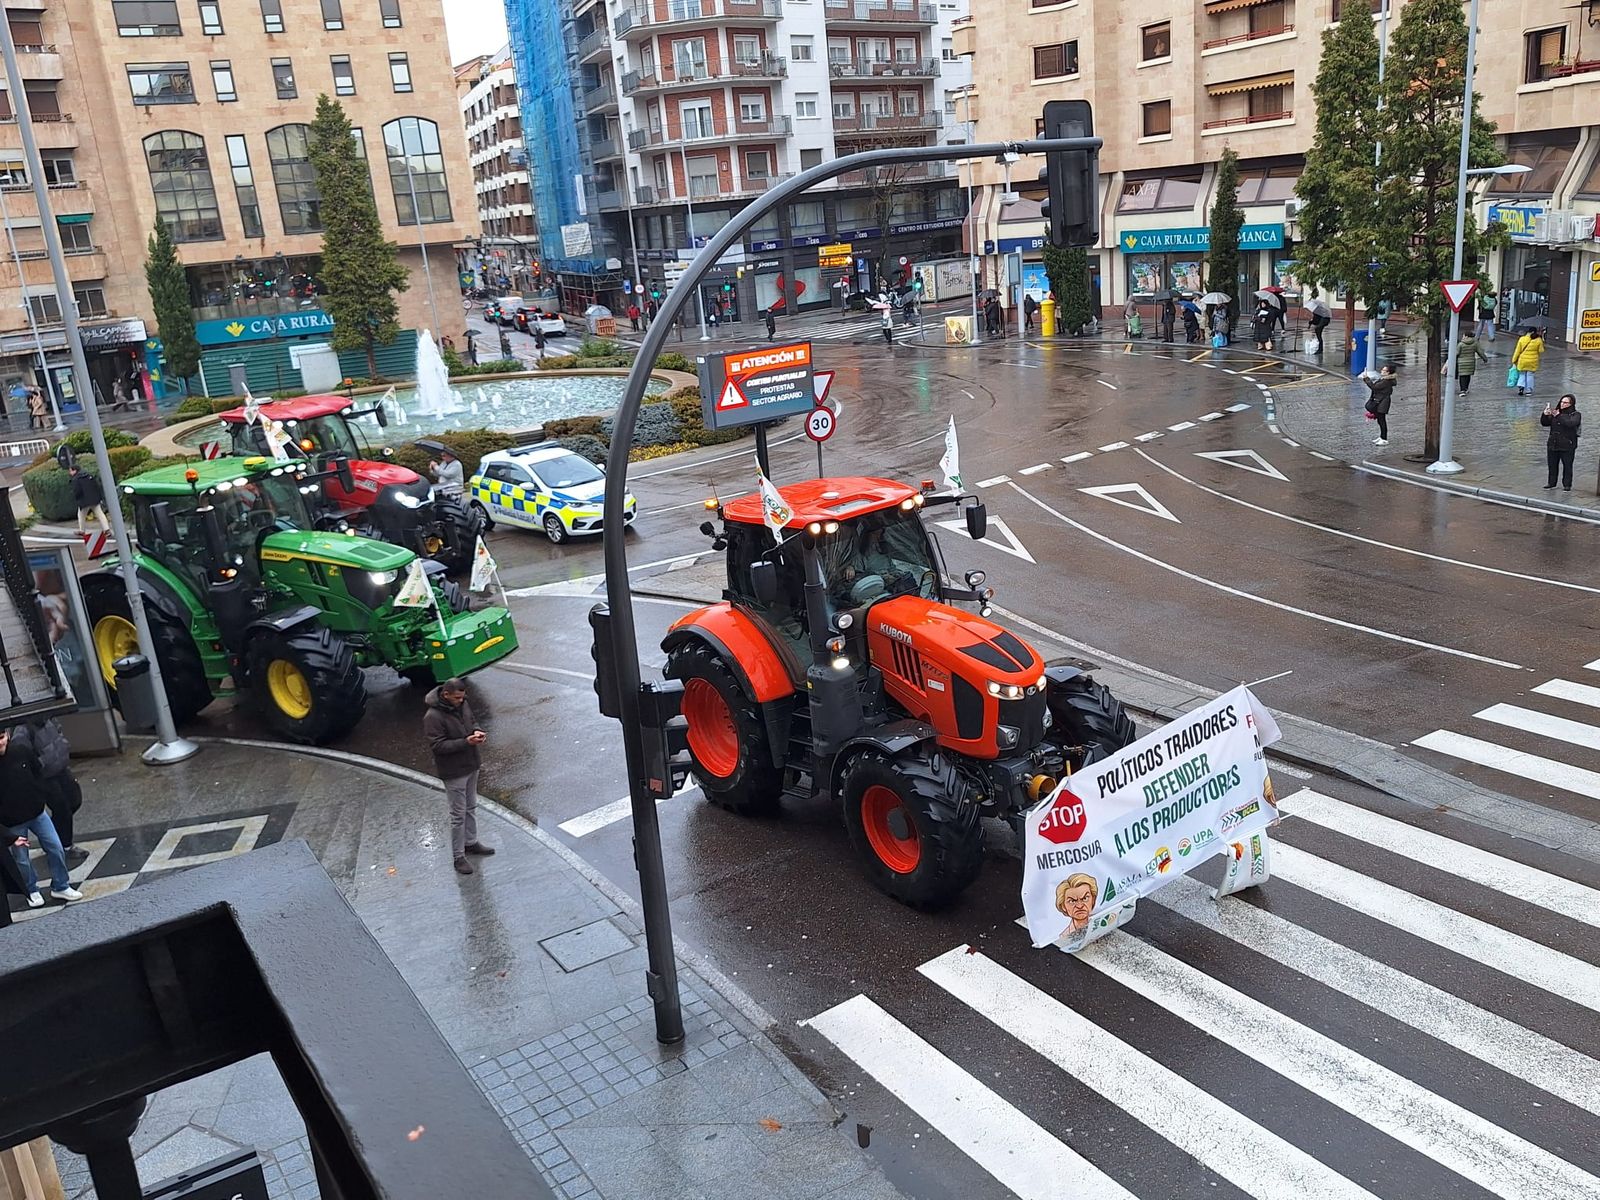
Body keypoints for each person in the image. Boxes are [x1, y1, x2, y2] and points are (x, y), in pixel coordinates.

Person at [1, 726, 80, 907]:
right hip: (13, 821)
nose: (1, 742)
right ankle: (31, 889)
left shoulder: (21, 751)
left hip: (37, 813)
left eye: (2, 737)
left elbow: (38, 772)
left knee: (56, 847)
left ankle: (61, 885)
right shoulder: (19, 751)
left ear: (7, 735)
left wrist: (40, 796)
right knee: (22, 859)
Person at [423, 678, 493, 875]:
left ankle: (471, 843)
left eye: (463, 698)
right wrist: (466, 742)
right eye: (457, 698)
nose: (461, 701)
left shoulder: (463, 704)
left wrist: (477, 730)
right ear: (446, 695)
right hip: (454, 771)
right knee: (457, 815)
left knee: (471, 806)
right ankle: (458, 856)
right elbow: (437, 746)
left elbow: (472, 721)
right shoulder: (433, 717)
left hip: (471, 764)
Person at [11, 718, 84, 868]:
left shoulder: (49, 719)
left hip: (61, 769)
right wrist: (39, 766)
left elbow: (58, 734)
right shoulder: (23, 730)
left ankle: (54, 836)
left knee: (74, 800)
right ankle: (65, 845)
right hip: (45, 777)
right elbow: (22, 757)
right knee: (62, 808)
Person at [1541, 394, 1581, 492]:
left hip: (1567, 444)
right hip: (1553, 443)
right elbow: (1545, 423)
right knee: (1552, 464)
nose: (1563, 404)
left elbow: (1570, 423)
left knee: (1567, 465)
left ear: (1571, 404)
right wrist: (1545, 415)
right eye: (1562, 402)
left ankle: (1567, 484)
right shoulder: (1556, 413)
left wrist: (1558, 415)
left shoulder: (1575, 414)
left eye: (1565, 402)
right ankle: (1551, 482)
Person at [69, 465, 110, 536]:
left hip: (84, 501)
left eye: (70, 471)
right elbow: (97, 486)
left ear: (74, 470)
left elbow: (77, 491)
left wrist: (77, 498)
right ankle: (107, 530)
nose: (70, 473)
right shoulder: (89, 476)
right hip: (94, 499)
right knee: (100, 514)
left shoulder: (76, 479)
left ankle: (82, 530)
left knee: (81, 515)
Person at [1363, 364, 1397, 447]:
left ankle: (1384, 439)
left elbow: (1374, 387)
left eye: (1384, 370)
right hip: (1380, 402)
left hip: (1382, 403)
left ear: (1388, 372)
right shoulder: (1384, 379)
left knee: (1382, 421)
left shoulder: (1386, 381)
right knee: (1380, 420)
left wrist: (1367, 379)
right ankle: (1382, 437)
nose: (1381, 371)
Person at [1511, 327, 1545, 395]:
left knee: (1522, 374)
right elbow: (1541, 350)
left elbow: (1517, 351)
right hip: (1533, 361)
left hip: (1522, 360)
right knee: (1530, 375)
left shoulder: (1522, 339)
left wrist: (1514, 360)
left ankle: (1521, 387)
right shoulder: (1538, 340)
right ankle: (1528, 391)